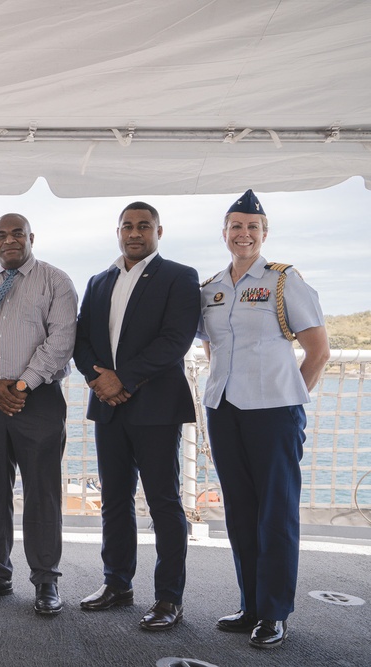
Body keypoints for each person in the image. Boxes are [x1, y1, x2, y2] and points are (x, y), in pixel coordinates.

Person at [198, 189, 330, 649]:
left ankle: (274, 612)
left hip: (273, 412)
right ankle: (250, 604)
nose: (244, 233)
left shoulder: (282, 280)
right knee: (240, 511)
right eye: (236, 226)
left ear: (264, 233)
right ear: (225, 233)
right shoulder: (212, 286)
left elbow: (318, 350)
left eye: (252, 227)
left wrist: (289, 398)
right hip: (225, 409)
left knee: (275, 513)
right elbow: (212, 345)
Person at [73, 202, 200, 631]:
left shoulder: (179, 277)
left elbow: (175, 340)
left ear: (158, 231)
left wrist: (123, 379)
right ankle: (117, 584)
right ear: (118, 231)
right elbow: (82, 339)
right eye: (127, 225)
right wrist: (100, 381)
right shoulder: (98, 281)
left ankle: (168, 598)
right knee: (114, 501)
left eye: (143, 226)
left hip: (156, 408)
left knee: (164, 504)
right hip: (108, 407)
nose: (134, 232)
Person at [0, 213, 77, 615]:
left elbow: (61, 340)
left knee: (42, 492)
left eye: (16, 233)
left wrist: (21, 386)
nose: (9, 240)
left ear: (31, 237)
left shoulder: (56, 282)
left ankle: (45, 580)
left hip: (35, 399)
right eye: (1, 235)